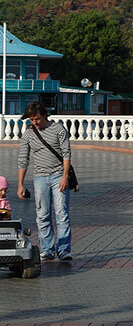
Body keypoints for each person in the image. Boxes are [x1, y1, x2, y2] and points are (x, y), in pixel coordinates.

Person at [16, 101, 73, 261]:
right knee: (42, 215)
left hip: (58, 176)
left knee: (61, 213)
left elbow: (66, 154)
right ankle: (47, 249)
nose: (34, 122)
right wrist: (20, 184)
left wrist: (65, 177)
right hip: (40, 178)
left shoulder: (58, 129)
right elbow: (23, 159)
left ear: (44, 115)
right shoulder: (28, 134)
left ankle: (63, 250)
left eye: (37, 119)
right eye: (31, 120)